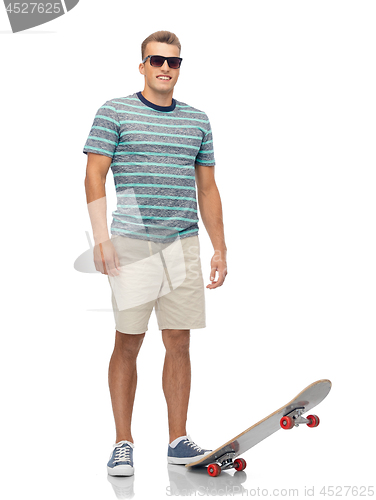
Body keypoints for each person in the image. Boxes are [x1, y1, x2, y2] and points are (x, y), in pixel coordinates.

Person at [83, 30, 227, 476]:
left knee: (179, 342)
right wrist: (101, 239)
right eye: (157, 60)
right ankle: (123, 442)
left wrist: (219, 246)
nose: (166, 68)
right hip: (132, 244)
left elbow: (208, 186)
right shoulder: (114, 112)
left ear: (180, 68)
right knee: (128, 342)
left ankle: (178, 440)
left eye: (174, 62)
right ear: (142, 65)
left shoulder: (197, 120)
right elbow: (93, 175)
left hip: (183, 243)